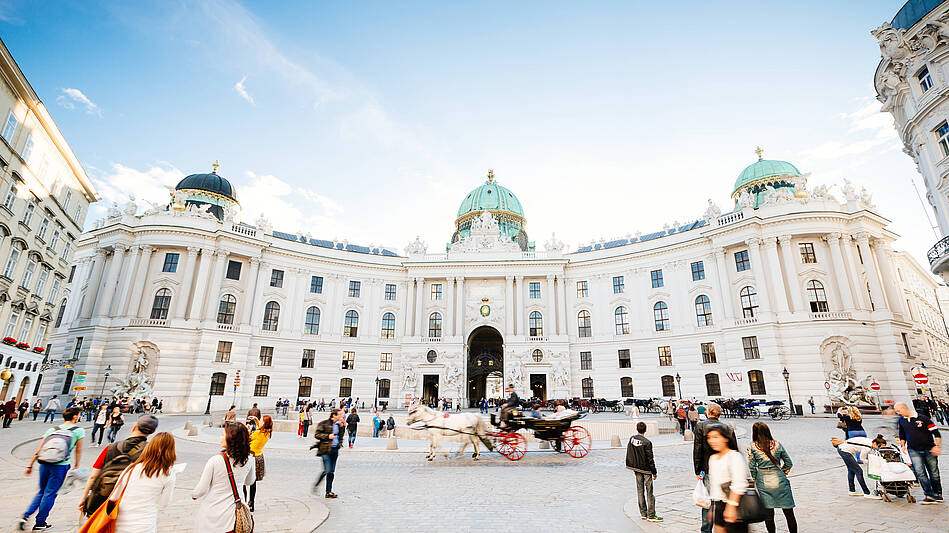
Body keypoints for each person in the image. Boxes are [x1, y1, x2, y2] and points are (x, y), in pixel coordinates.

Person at [89, 431, 176, 533]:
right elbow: (164, 503)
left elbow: (114, 497)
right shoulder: (168, 473)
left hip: (121, 522)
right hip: (145, 524)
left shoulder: (131, 468)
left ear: (149, 447)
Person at [18, 406, 84, 531]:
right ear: (75, 416)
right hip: (60, 465)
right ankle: (40, 523)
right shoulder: (78, 430)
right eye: (79, 415)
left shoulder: (53, 429)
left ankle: (26, 516)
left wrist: (30, 464)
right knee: (50, 493)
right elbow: (78, 450)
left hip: (44, 463)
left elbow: (39, 448)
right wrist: (77, 465)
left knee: (41, 491)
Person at [79, 414, 159, 517]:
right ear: (152, 432)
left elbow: (93, 476)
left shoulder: (111, 447)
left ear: (134, 426)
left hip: (105, 499)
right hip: (130, 502)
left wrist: (84, 498)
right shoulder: (151, 452)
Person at [192, 422, 255, 531]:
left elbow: (201, 490)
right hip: (235, 512)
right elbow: (249, 481)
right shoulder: (249, 460)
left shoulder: (215, 460)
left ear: (231, 439)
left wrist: (193, 494)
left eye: (223, 434)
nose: (221, 437)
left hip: (213, 511)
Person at [693, 403, 738, 533]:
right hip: (726, 470)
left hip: (708, 469)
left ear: (708, 412)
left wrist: (697, 470)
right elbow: (734, 449)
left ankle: (706, 530)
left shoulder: (701, 426)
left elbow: (698, 450)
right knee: (723, 499)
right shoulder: (728, 427)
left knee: (708, 502)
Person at [747, 423, 797, 533]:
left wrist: (755, 479)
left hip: (763, 480)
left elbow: (751, 467)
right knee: (789, 513)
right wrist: (783, 472)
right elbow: (788, 462)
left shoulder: (752, 447)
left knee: (769, 514)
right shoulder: (777, 445)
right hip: (779, 478)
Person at [895, 402, 943, 503]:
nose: (898, 413)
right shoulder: (901, 420)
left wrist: (937, 446)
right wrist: (903, 445)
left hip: (929, 449)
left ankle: (938, 494)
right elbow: (902, 434)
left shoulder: (923, 418)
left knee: (934, 472)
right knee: (920, 473)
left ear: (904, 408)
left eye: (898, 411)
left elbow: (936, 433)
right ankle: (929, 495)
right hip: (913, 450)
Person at [706, 426, 748, 533]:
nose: (712, 441)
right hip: (719, 506)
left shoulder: (734, 456)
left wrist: (731, 507)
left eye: (716, 437)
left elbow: (740, 483)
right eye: (709, 437)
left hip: (735, 504)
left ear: (726, 438)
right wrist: (712, 508)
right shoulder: (713, 458)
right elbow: (714, 486)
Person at [626, 421, 662, 522]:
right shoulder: (647, 442)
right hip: (646, 469)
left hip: (637, 468)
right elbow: (650, 459)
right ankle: (651, 515)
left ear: (637, 429)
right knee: (649, 492)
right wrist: (654, 472)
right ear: (645, 430)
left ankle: (643, 513)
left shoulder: (632, 439)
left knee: (640, 490)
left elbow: (629, 452)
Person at [313, 408, 345, 498]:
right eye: (339, 415)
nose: (341, 416)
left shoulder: (338, 425)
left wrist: (343, 426)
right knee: (327, 470)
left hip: (335, 450)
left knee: (331, 472)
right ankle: (316, 484)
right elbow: (317, 434)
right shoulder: (324, 423)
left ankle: (328, 492)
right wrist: (328, 436)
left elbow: (340, 436)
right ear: (334, 415)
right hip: (325, 450)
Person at [246, 414, 272, 512]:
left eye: (262, 421)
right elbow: (260, 428)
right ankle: (251, 503)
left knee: (243, 481)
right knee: (253, 482)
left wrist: (248, 429)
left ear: (264, 423)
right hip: (259, 457)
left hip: (250, 456)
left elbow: (248, 438)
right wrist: (256, 420)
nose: (260, 422)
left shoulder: (257, 433)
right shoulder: (268, 432)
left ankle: (244, 502)